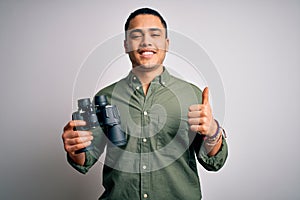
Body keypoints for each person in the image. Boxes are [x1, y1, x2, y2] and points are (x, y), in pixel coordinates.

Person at [62, 8, 228, 200]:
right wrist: (75, 147)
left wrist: (213, 131)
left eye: (155, 35)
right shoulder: (105, 97)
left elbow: (214, 162)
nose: (146, 42)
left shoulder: (192, 95)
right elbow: (85, 160)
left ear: (167, 44)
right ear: (125, 45)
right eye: (136, 35)